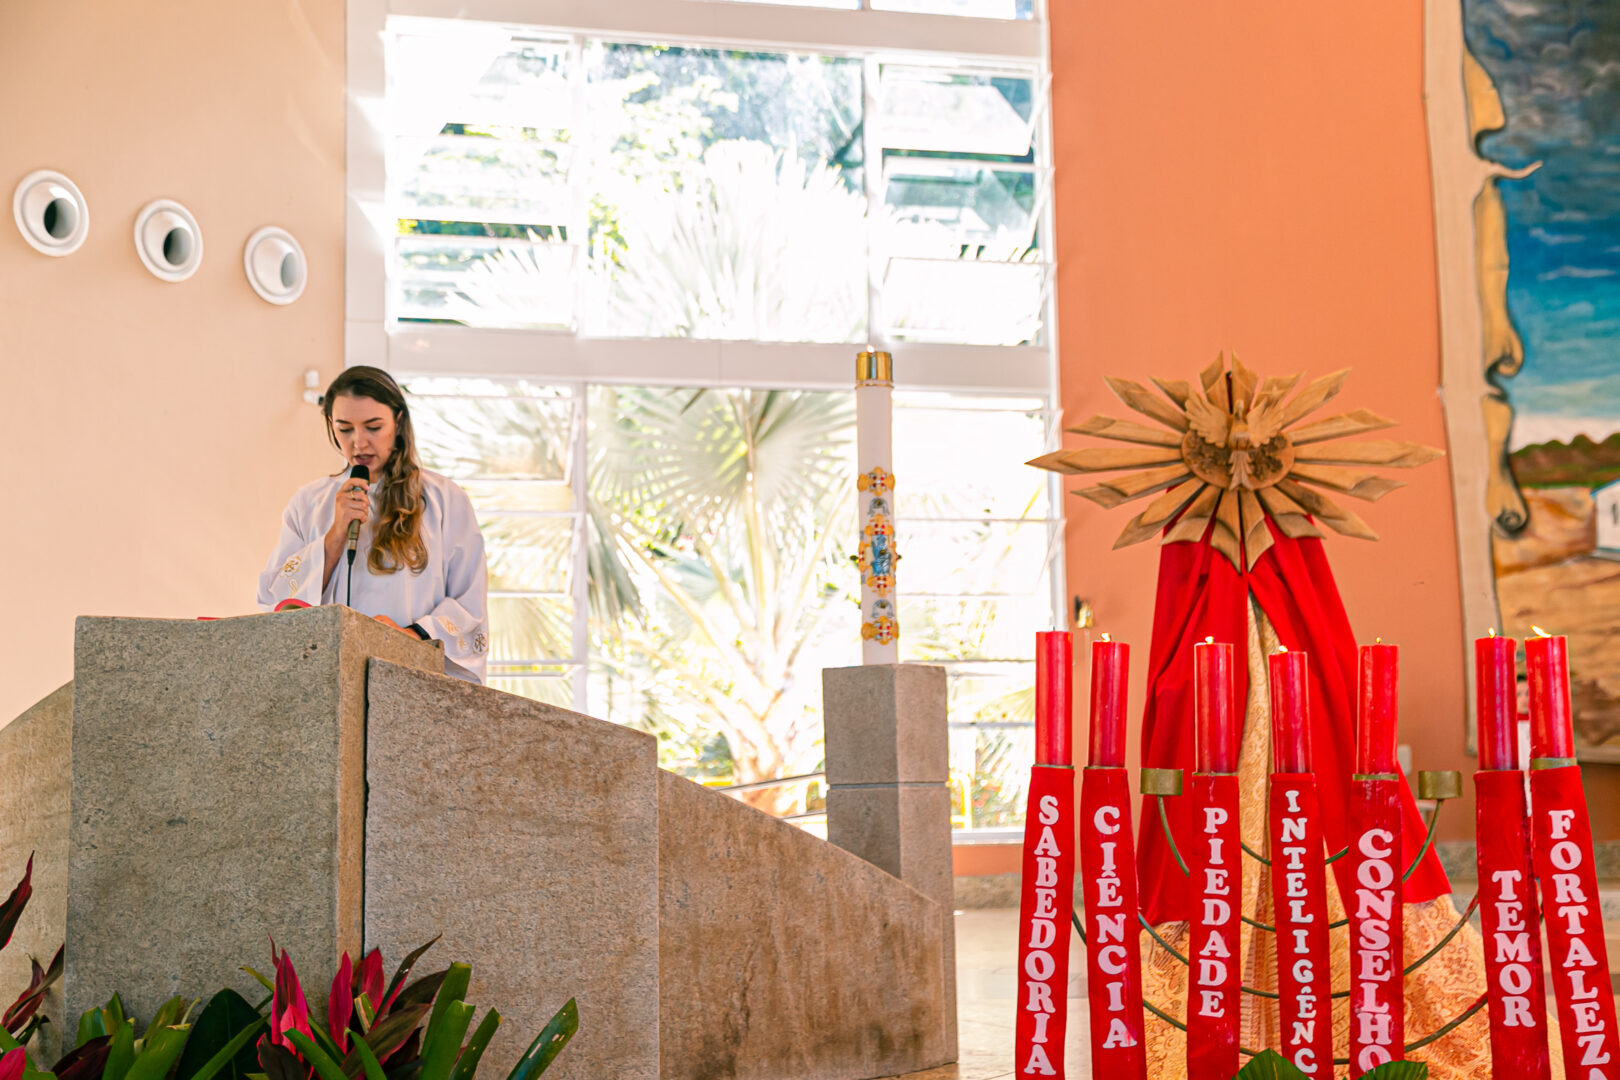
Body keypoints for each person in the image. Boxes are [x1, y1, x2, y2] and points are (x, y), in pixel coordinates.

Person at [257, 366, 489, 684]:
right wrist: (337, 533)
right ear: (330, 426)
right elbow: (277, 601)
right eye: (345, 429)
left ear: (398, 422)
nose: (359, 443)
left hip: (413, 676)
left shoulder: (445, 500)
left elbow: (469, 603)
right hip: (332, 682)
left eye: (373, 427)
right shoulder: (309, 502)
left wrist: (409, 637)